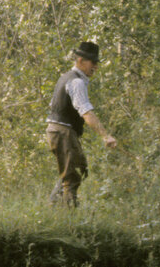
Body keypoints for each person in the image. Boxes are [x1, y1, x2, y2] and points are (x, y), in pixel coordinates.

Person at [45, 41, 117, 206]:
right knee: (74, 173)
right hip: (63, 131)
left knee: (77, 169)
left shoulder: (66, 78)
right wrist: (106, 136)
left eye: (97, 63)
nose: (96, 67)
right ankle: (67, 215)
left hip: (58, 130)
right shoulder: (76, 82)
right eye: (93, 62)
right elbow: (86, 113)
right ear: (81, 60)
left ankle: (55, 205)